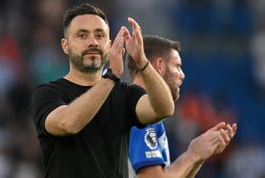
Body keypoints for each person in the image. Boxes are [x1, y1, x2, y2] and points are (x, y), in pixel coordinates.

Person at [31, 3, 175, 178]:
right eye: (82, 35)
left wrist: (142, 62)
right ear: (65, 45)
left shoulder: (126, 95)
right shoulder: (48, 93)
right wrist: (112, 77)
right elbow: (68, 123)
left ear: (109, 44)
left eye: (99, 35)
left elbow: (164, 109)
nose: (93, 42)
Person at [127, 35, 237, 178]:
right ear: (159, 65)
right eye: (177, 66)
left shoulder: (133, 106)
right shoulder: (142, 113)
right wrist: (192, 154)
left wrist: (199, 155)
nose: (182, 75)